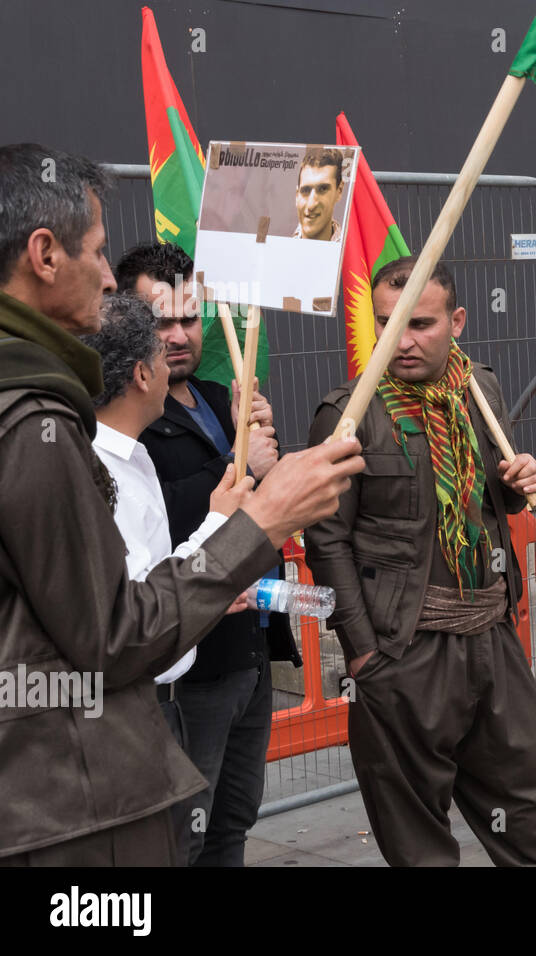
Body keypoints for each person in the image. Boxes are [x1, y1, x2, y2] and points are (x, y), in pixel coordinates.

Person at [0, 142, 362, 865]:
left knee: (230, 820)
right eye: (100, 255)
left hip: (98, 756)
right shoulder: (33, 421)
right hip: (66, 804)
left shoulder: (67, 402)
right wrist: (258, 521)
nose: (107, 280)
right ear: (44, 253)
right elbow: (111, 633)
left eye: (190, 318)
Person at [306, 257, 536, 867]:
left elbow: (495, 500)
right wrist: (364, 654)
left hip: (490, 637)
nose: (400, 340)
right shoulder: (349, 413)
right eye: (387, 323)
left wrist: (518, 477)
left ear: (458, 321)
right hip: (404, 650)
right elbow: (327, 539)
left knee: (530, 810)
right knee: (416, 836)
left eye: (420, 323)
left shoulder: (481, 387)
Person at [118, 241, 291, 867]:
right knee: (181, 837)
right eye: (159, 320)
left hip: (251, 651)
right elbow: (148, 517)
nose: (179, 334)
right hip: (189, 666)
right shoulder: (123, 414)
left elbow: (260, 508)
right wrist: (234, 466)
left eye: (190, 317)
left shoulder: (223, 397)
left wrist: (266, 450)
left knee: (233, 823)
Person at [84, 292, 253, 855]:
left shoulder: (132, 458)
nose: (176, 352)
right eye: (161, 345)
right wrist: (217, 529)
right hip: (133, 709)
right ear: (140, 373)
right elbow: (134, 611)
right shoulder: (94, 468)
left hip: (165, 696)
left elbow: (157, 576)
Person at [293, 146, 345, 241]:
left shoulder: (352, 253)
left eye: (323, 189)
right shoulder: (276, 252)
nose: (311, 205)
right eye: (305, 190)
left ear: (339, 191)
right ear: (297, 195)